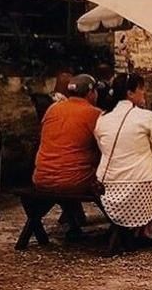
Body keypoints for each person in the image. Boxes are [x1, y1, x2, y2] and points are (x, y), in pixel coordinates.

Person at [94, 73, 152, 244]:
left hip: (107, 187)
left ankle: (129, 228)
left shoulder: (102, 118)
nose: (144, 93)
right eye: (141, 89)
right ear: (130, 93)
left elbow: (102, 147)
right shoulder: (147, 117)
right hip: (142, 185)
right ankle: (146, 230)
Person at [33, 74, 102, 239]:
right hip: (74, 180)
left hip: (42, 177)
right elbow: (105, 147)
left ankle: (74, 221)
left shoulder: (52, 109)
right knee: (106, 173)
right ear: (91, 93)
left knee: (69, 166)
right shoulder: (94, 114)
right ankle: (123, 224)